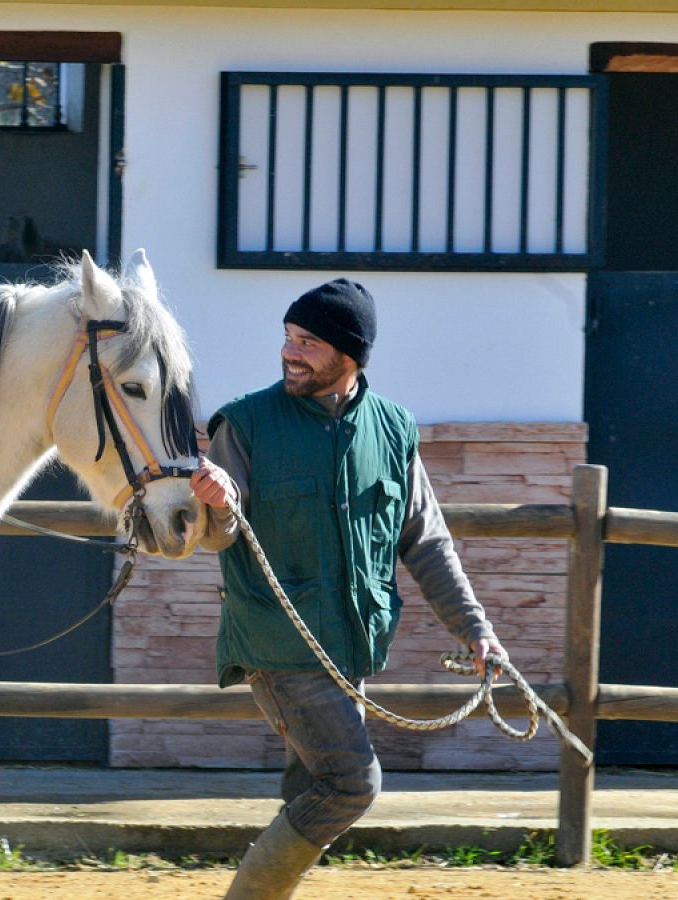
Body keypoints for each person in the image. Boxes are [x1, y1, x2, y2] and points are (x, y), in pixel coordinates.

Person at [188, 278, 511, 899]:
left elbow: (425, 540)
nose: (290, 351)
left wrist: (475, 629)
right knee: (351, 783)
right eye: (287, 337)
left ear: (350, 356)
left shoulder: (392, 429)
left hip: (353, 645)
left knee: (311, 785)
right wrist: (221, 507)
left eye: (308, 342)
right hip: (279, 643)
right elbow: (217, 536)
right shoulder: (247, 422)